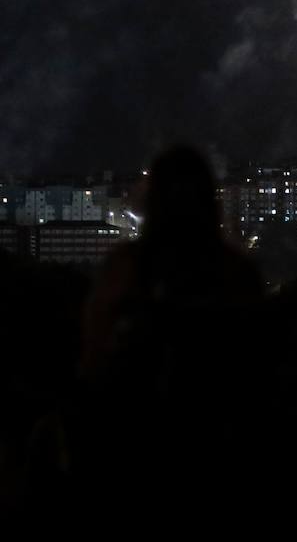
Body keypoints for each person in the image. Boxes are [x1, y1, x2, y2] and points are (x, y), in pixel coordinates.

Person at [42, 146, 264, 519]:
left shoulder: (125, 269)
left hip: (130, 452)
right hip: (221, 453)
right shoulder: (237, 274)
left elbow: (93, 358)